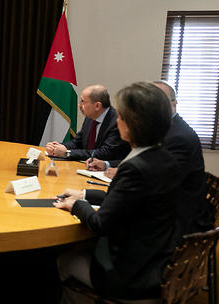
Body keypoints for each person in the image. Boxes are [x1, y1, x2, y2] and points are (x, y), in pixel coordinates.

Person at [54, 82, 180, 302]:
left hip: (132, 276)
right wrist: (84, 195)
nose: (117, 120)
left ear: (133, 125)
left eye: (121, 116)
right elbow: (127, 199)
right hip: (159, 261)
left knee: (64, 260)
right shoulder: (164, 157)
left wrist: (74, 205)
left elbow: (100, 224)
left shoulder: (134, 167)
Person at [87, 81, 211, 234]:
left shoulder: (179, 136)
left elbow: (151, 176)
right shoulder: (161, 133)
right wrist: (108, 165)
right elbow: (144, 160)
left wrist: (121, 174)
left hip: (174, 224)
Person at [46, 84, 129, 161]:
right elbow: (77, 142)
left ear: (97, 106)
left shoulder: (117, 122)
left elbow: (104, 153)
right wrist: (58, 147)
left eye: (83, 101)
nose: (79, 105)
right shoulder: (90, 118)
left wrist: (67, 153)